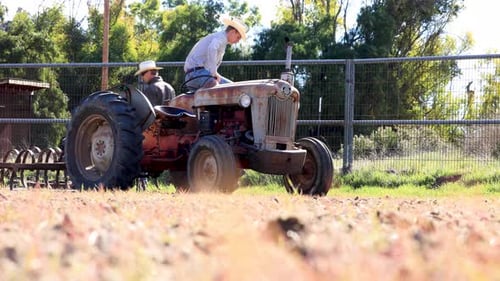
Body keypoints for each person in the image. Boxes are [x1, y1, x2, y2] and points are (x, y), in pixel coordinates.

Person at [184, 17, 248, 91]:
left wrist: (214, 73)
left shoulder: (220, 38)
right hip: (196, 74)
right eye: (238, 37)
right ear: (233, 32)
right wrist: (214, 72)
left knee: (234, 87)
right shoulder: (221, 37)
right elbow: (212, 48)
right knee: (231, 89)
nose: (238, 41)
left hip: (195, 74)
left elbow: (208, 65)